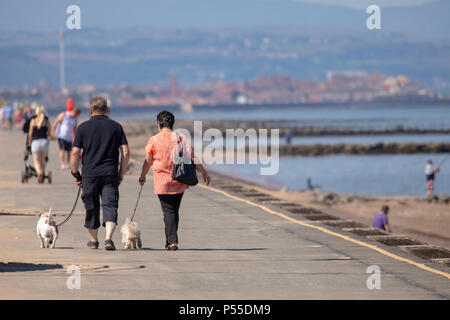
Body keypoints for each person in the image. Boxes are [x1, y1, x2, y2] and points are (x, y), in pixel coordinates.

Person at [138, 110, 210, 251]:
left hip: (162, 182)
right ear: (172, 124)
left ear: (159, 125)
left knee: (168, 211)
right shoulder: (181, 137)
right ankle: (170, 240)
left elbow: (148, 161)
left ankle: (172, 242)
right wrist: (204, 172)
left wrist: (142, 175)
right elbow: (193, 156)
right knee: (173, 211)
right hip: (180, 179)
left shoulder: (154, 140)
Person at [71, 97, 130, 251]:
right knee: (110, 205)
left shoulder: (82, 128)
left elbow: (75, 153)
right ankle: (108, 238)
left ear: (91, 110)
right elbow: (126, 152)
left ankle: (93, 240)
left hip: (89, 174)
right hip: (110, 173)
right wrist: (121, 173)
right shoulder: (116, 127)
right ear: (107, 110)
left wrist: (75, 173)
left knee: (91, 207)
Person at [28, 106, 51, 183]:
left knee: (36, 161)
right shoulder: (46, 121)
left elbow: (30, 134)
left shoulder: (33, 121)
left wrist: (29, 143)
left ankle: (40, 173)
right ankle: (42, 173)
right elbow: (49, 134)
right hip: (44, 142)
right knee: (42, 161)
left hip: (35, 143)